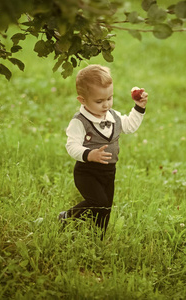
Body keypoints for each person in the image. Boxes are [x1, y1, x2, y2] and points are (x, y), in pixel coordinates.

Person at [58, 64, 148, 237]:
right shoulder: (80, 121)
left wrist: (139, 107)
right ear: (82, 100)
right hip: (87, 172)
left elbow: (129, 126)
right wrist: (89, 154)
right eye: (99, 101)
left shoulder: (113, 116)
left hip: (108, 171)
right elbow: (72, 146)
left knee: (105, 207)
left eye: (109, 98)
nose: (106, 104)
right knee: (97, 201)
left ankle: (98, 237)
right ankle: (67, 217)